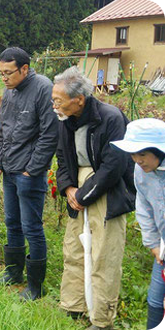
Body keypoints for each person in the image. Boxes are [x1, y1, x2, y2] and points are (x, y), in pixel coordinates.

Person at [54, 66, 135, 330]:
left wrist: (84, 194)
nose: (54, 104)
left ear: (79, 99)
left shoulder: (110, 118)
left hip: (107, 193)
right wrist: (67, 188)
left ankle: (101, 320)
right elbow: (63, 158)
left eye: (58, 99)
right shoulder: (65, 119)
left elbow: (114, 166)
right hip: (77, 190)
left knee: (104, 255)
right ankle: (73, 305)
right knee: (74, 249)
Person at [0, 47, 58, 300]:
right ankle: (14, 271)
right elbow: (2, 131)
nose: (4, 78)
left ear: (24, 69)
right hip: (8, 169)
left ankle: (35, 286)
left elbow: (50, 134)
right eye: (1, 73)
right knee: (12, 223)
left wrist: (32, 170)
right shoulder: (9, 93)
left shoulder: (42, 88)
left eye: (8, 73)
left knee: (32, 227)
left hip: (29, 173)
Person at [111, 118, 165, 330]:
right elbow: (144, 208)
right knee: (154, 302)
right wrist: (153, 244)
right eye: (133, 154)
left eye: (142, 154)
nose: (137, 160)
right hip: (162, 249)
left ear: (159, 150)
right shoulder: (141, 173)